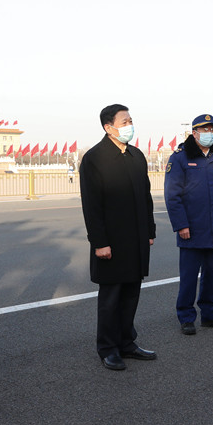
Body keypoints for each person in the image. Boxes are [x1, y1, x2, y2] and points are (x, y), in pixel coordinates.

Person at [79, 104, 157, 370]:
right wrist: (99, 242)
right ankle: (108, 348)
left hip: (136, 239)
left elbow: (146, 197)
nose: (129, 126)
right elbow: (92, 205)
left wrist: (150, 230)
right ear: (108, 127)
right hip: (110, 242)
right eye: (124, 121)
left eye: (131, 120)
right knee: (111, 297)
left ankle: (127, 342)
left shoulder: (136, 156)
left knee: (132, 292)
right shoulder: (95, 158)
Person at [165, 114, 213, 335]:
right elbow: (172, 195)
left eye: (212, 130)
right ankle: (186, 316)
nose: (209, 134)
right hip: (192, 228)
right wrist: (181, 225)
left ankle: (209, 314)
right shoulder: (180, 157)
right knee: (189, 276)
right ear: (194, 133)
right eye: (205, 130)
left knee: (211, 275)